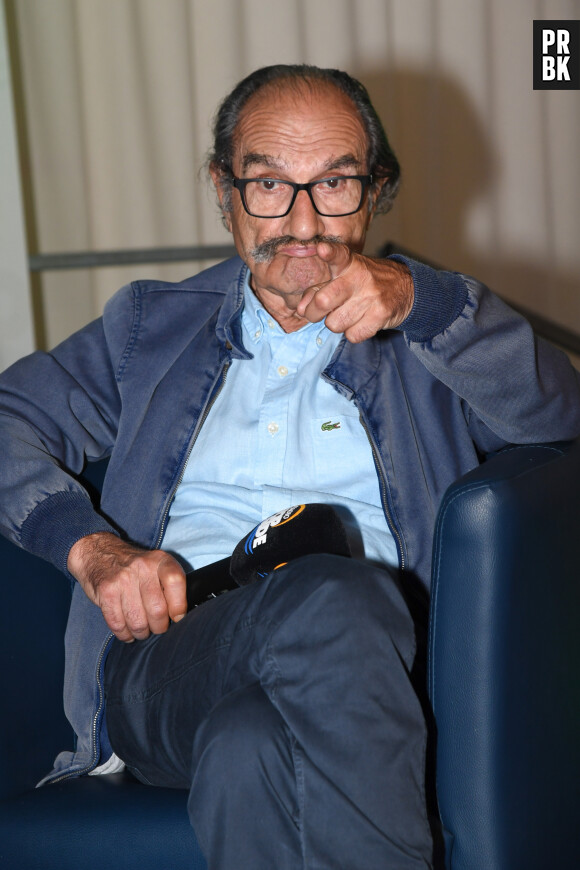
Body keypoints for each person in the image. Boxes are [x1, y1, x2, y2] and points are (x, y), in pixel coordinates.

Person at [1, 64, 579, 869]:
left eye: (335, 182)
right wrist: (91, 550)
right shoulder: (149, 328)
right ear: (223, 190)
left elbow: (560, 412)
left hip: (372, 673)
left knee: (251, 755)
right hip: (169, 658)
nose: (303, 221)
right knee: (336, 596)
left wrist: (425, 302)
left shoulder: (429, 335)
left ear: (373, 191)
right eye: (269, 184)